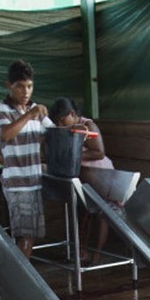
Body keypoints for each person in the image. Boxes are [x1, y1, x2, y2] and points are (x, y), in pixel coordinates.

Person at [0, 59, 54, 259]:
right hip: (17, 184)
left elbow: (54, 133)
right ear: (8, 85)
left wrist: (78, 129)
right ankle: (18, 283)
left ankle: (18, 280)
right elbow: (5, 135)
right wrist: (30, 114)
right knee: (26, 236)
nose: (26, 92)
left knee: (31, 236)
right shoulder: (1, 110)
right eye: (20, 86)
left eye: (29, 86)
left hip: (34, 182)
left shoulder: (36, 109)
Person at [50, 97, 115, 264]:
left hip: (101, 174)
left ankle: (97, 255)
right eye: (56, 122)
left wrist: (72, 156)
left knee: (102, 214)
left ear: (72, 114)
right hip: (85, 176)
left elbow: (99, 152)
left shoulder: (88, 126)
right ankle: (82, 251)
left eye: (62, 120)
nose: (59, 125)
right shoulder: (66, 128)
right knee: (82, 213)